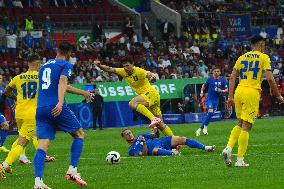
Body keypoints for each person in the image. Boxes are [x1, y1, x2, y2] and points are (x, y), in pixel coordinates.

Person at [33, 42, 93, 189]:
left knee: (42, 146)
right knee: (79, 134)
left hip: (41, 108)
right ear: (70, 53)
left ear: (57, 50)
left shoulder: (44, 66)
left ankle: (38, 182)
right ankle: (72, 170)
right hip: (56, 106)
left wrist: (83, 92)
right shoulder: (65, 65)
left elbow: (61, 85)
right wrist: (60, 103)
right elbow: (62, 82)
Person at [222, 36, 284, 167]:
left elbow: (232, 77)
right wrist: (278, 95)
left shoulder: (242, 57)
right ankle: (239, 160)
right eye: (264, 46)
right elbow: (270, 79)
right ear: (261, 46)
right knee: (247, 126)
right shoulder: (264, 57)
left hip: (239, 91)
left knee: (239, 123)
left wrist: (230, 96)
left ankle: (228, 148)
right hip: (252, 92)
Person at [0, 54, 55, 180]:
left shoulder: (18, 78)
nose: (41, 66)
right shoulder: (41, 78)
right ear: (36, 64)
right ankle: (4, 165)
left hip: (19, 112)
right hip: (32, 114)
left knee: (22, 138)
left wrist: (15, 99)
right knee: (23, 141)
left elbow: (7, 91)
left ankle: (8, 164)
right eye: (40, 64)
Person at [94, 57, 174, 136]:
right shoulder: (123, 71)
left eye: (127, 65)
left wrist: (152, 77)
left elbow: (148, 74)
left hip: (150, 93)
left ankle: (153, 119)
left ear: (132, 64)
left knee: (132, 103)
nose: (125, 68)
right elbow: (109, 69)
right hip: (150, 96)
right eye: (124, 66)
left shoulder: (139, 71)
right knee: (161, 124)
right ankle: (175, 144)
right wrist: (100, 66)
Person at [121, 129, 215, 156]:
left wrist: (155, 129)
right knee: (155, 150)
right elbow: (144, 155)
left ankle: (206, 147)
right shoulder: (131, 150)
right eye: (126, 134)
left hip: (161, 141)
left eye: (130, 132)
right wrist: (144, 143)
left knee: (182, 139)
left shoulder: (140, 135)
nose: (129, 134)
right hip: (154, 149)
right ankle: (174, 152)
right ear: (124, 138)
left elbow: (155, 136)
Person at [195, 68, 228, 136]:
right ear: (213, 72)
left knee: (210, 115)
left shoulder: (222, 80)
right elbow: (204, 85)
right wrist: (201, 92)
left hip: (216, 100)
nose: (216, 72)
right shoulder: (210, 79)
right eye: (215, 71)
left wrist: (221, 91)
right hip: (209, 98)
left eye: (218, 71)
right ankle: (205, 127)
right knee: (210, 112)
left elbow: (226, 89)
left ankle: (200, 129)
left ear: (220, 72)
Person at [0, 75, 9, 153]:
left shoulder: (2, 88)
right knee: (5, 125)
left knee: (5, 126)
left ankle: (1, 145)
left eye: (1, 78)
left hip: (1, 111)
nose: (0, 80)